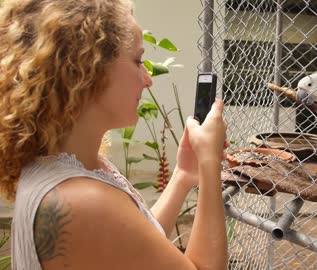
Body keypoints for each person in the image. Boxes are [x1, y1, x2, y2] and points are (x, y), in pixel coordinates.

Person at [0, 0, 228, 269]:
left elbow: (132, 246)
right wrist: (209, 163)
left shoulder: (67, 166)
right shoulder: (83, 200)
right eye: (137, 60)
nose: (148, 79)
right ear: (87, 69)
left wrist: (182, 176)